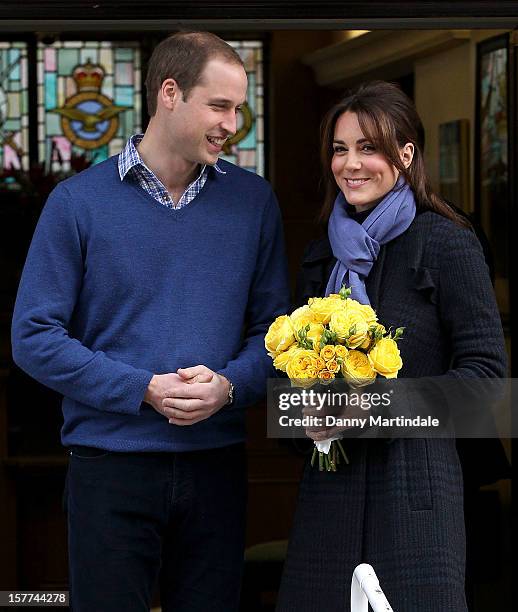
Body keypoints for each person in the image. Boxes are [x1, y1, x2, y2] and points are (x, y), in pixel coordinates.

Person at [11, 31, 290, 612]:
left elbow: (277, 330)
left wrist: (231, 386)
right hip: (109, 466)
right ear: (170, 93)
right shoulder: (77, 202)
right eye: (219, 105)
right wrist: (141, 388)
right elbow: (32, 336)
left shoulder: (253, 202)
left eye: (239, 108)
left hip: (216, 465)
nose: (231, 122)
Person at [275, 81, 507, 612]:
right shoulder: (319, 256)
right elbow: (280, 394)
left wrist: (367, 409)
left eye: (368, 147)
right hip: (327, 506)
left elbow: (488, 381)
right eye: (340, 149)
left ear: (405, 154)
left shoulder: (447, 241)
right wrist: (302, 414)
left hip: (416, 504)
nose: (351, 164)